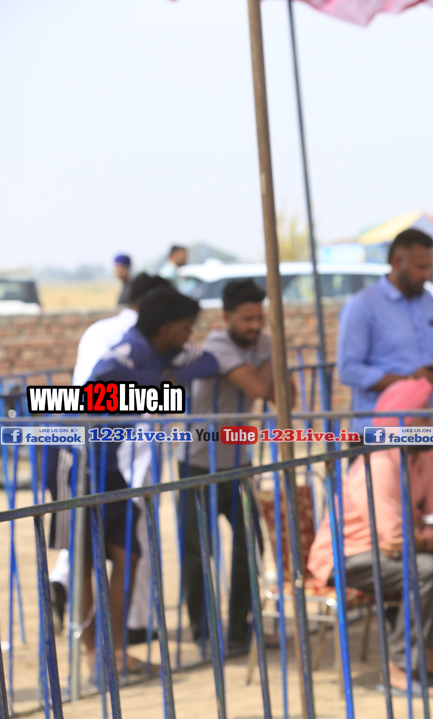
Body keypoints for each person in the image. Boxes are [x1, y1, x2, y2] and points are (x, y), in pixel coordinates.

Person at [85, 288, 218, 676]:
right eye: (187, 326)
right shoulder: (132, 349)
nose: (190, 334)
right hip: (79, 460)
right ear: (167, 327)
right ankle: (94, 657)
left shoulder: (162, 353)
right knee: (84, 558)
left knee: (128, 554)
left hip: (109, 464)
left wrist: (166, 378)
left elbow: (207, 361)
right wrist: (155, 382)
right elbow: (100, 381)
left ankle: (113, 653)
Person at [307, 378, 433, 696]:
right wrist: (424, 536)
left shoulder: (425, 455)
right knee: (426, 568)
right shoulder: (380, 462)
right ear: (404, 423)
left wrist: (424, 538)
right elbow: (396, 535)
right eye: (425, 416)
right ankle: (398, 667)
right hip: (345, 556)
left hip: (388, 553)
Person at [50, 272, 171, 634]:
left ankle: (101, 629)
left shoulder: (100, 331)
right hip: (110, 448)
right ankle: (126, 628)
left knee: (107, 547)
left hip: (99, 447)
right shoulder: (138, 341)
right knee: (118, 543)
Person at [181, 279, 284, 654]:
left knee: (249, 546)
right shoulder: (217, 346)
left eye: (260, 318)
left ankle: (240, 631)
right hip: (198, 461)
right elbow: (261, 389)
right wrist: (271, 363)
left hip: (238, 461)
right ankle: (204, 634)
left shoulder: (262, 342)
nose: (255, 326)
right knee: (198, 553)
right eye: (247, 319)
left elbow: (285, 395)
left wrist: (268, 362)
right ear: (226, 317)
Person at [337, 229, 433, 431]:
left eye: (429, 267)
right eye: (420, 267)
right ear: (396, 262)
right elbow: (348, 371)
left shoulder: (428, 300)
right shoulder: (362, 305)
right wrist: (411, 381)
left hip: (424, 425)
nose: (426, 275)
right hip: (376, 429)